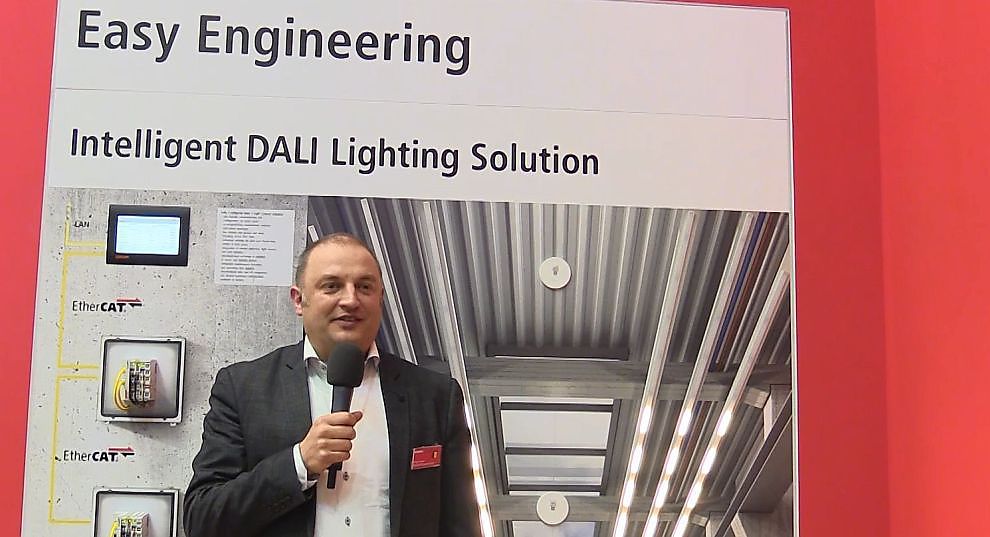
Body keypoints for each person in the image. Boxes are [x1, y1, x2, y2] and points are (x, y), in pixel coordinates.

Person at [184, 232, 482, 537]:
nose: (351, 300)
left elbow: (462, 526)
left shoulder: (435, 397)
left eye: (364, 287)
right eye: (332, 286)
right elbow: (203, 517)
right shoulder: (244, 388)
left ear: (380, 299)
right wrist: (300, 464)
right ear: (299, 300)